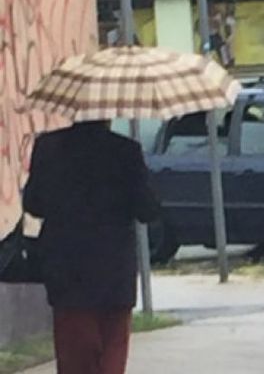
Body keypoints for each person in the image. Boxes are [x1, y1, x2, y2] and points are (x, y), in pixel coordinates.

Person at [22, 120, 161, 374]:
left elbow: (33, 204)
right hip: (114, 274)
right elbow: (147, 210)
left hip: (67, 272)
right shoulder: (126, 151)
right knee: (111, 356)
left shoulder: (49, 147)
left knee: (74, 359)